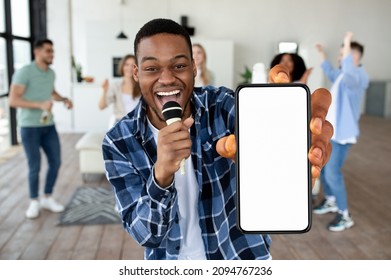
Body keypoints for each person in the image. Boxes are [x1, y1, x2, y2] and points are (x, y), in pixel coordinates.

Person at [102, 18, 333, 260]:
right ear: (137, 73)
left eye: (179, 66)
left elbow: (268, 135)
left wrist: (293, 136)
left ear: (194, 68)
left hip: (238, 255)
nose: (167, 78)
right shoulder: (119, 141)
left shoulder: (222, 105)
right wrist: (161, 176)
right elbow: (145, 235)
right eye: (152, 68)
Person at [9, 38, 73, 219]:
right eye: (48, 51)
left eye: (52, 51)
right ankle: (34, 201)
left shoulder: (50, 73)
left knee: (56, 162)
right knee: (34, 166)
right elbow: (13, 100)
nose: (52, 54)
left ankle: (47, 196)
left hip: (48, 125)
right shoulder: (24, 72)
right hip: (29, 127)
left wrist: (64, 99)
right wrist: (39, 105)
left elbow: (51, 92)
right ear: (37, 53)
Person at [313, 32, 369, 231]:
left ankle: (345, 215)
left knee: (332, 174)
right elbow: (331, 72)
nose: (339, 57)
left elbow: (347, 69)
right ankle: (330, 200)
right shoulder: (344, 76)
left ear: (353, 57)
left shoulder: (357, 77)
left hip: (342, 136)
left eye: (342, 53)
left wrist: (347, 42)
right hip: (332, 133)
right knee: (326, 169)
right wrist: (321, 55)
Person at [98, 54, 141, 128]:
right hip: (120, 124)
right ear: (122, 66)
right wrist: (104, 90)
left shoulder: (141, 86)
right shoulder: (115, 86)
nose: (130, 68)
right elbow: (101, 106)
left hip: (138, 123)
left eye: (133, 65)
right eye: (127, 65)